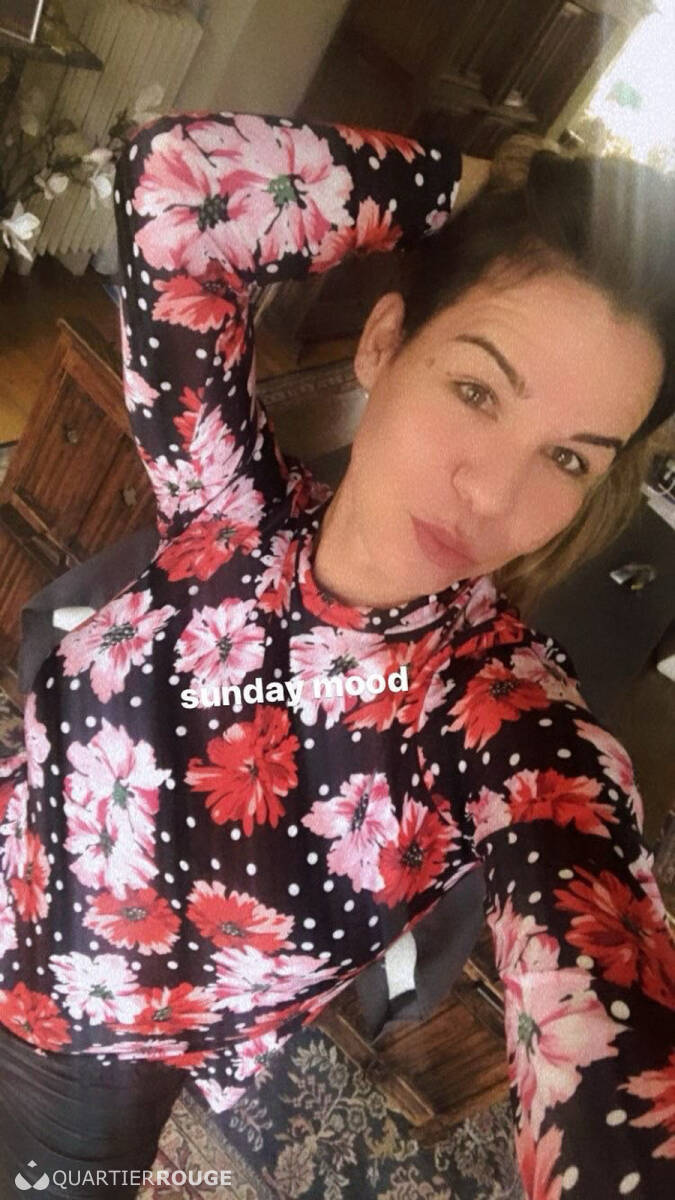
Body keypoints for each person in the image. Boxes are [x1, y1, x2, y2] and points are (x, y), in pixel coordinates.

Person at [0, 107, 673, 1200]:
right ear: (383, 343)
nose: (491, 492)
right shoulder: (226, 501)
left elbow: (613, 1056)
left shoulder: (506, 725)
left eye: (566, 458)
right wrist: (497, 191)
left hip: (83, 1091)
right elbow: (178, 185)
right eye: (475, 389)